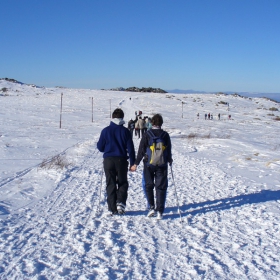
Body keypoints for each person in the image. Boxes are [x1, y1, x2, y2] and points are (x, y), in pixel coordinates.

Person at [130, 114, 173, 220]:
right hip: (162, 164)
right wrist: (169, 160)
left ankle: (151, 207)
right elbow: (168, 150)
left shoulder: (147, 134)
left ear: (152, 123)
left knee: (149, 185)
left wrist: (136, 163)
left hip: (148, 164)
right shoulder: (165, 135)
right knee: (161, 187)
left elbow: (141, 150)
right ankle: (160, 211)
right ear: (161, 123)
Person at [97, 108, 136, 215]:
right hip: (121, 160)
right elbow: (131, 149)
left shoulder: (105, 131)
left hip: (108, 160)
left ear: (112, 117)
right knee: (122, 182)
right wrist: (133, 163)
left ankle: (112, 207)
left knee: (110, 183)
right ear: (122, 118)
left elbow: (100, 147)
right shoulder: (125, 131)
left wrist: (108, 147)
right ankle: (121, 203)